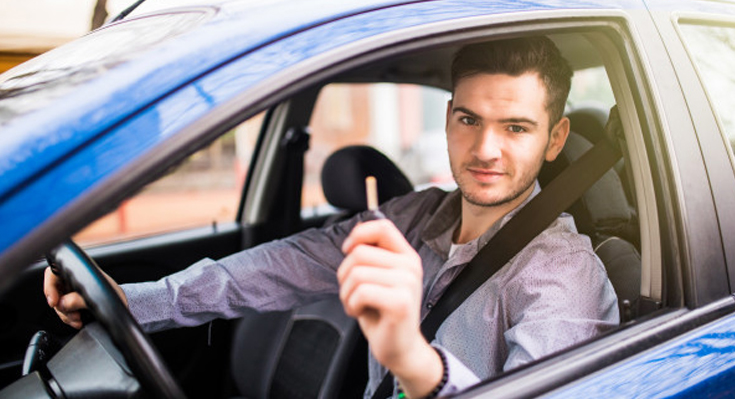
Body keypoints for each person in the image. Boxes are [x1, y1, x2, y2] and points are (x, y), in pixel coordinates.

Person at [45, 36, 619, 399]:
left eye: (516, 127)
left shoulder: (563, 276)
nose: (486, 149)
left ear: (554, 138)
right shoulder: (418, 214)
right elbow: (284, 265)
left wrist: (416, 362)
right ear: (447, 119)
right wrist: (135, 302)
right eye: (469, 120)